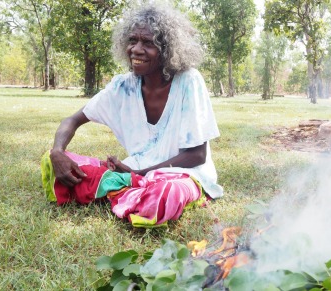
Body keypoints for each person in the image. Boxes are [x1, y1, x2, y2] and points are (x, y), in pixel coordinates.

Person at [41, 3, 223, 228]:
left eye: (148, 43)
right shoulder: (122, 86)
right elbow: (73, 120)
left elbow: (196, 155)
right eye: (132, 41)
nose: (136, 49)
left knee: (167, 193)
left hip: (182, 175)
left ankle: (127, 191)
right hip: (134, 172)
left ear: (167, 50)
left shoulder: (189, 81)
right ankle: (131, 192)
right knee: (58, 164)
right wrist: (57, 152)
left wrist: (140, 173)